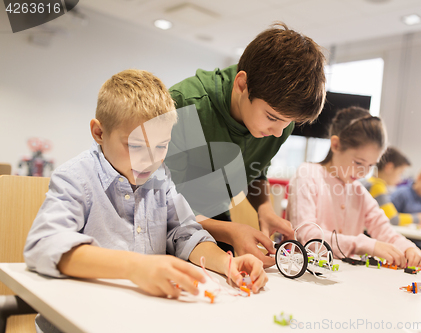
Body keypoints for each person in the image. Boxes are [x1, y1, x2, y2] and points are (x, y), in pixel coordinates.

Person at [24, 70, 267, 333]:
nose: (150, 161)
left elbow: (186, 234)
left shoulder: (160, 178)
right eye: (136, 146)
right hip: (76, 324)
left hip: (139, 320)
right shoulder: (75, 178)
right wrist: (135, 266)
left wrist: (227, 264)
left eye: (161, 146)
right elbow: (43, 245)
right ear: (99, 132)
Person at [168, 22, 326, 267]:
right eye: (272, 118)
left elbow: (254, 171)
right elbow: (157, 204)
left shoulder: (279, 123)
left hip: (217, 222)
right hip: (164, 229)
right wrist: (230, 231)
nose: (278, 132)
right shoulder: (184, 106)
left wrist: (264, 209)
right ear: (242, 84)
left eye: (288, 123)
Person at [286, 107, 421, 268]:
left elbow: (384, 230)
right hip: (303, 274)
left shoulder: (357, 190)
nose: (364, 172)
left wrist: (408, 248)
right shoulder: (308, 174)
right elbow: (306, 236)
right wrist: (365, 245)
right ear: (336, 145)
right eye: (359, 163)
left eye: (371, 165)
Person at [361, 146, 414, 226]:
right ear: (389, 168)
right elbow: (393, 219)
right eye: (400, 173)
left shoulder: (368, 182)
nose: (400, 179)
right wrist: (420, 218)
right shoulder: (376, 186)